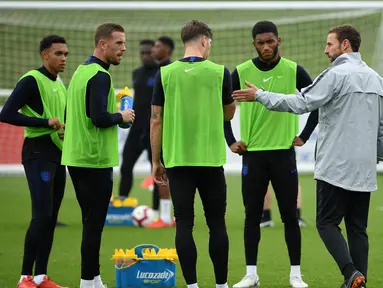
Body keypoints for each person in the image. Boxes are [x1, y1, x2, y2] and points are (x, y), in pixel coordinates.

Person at [232, 24, 383, 288]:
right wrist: (377, 156)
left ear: (345, 45)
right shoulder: (376, 78)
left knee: (326, 223)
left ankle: (351, 273)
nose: (325, 50)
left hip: (336, 164)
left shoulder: (334, 75)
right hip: (365, 167)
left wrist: (260, 96)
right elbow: (381, 125)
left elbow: (301, 103)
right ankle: (360, 281)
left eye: (329, 44)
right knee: (358, 228)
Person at [225, 21, 311, 288]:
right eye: (260, 43)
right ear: (254, 44)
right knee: (252, 216)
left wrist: (305, 135)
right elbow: (223, 109)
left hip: (284, 155)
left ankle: (295, 275)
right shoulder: (239, 72)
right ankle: (251, 274)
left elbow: (316, 102)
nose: (266, 47)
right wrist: (230, 140)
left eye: (270, 41)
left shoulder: (294, 70)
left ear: (279, 41)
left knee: (289, 216)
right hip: (253, 156)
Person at [150, 20, 236, 288]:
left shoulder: (165, 74)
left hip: (178, 160)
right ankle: (221, 285)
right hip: (210, 159)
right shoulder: (220, 72)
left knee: (184, 224)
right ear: (204, 41)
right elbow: (229, 112)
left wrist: (156, 160)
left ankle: (192, 285)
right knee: (217, 224)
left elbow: (156, 120)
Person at [62, 23, 135, 288]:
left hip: (77, 158)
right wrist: (122, 115)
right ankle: (87, 282)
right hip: (95, 159)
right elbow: (99, 117)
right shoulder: (101, 76)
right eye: (119, 44)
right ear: (102, 44)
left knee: (90, 222)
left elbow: (74, 114)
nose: (124, 49)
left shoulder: (81, 71)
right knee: (94, 225)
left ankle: (93, 279)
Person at [0, 35, 68, 288]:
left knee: (51, 217)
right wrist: (45, 123)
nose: (63, 59)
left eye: (65, 54)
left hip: (58, 154)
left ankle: (41, 276)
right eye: (58, 53)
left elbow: (60, 119)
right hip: (37, 153)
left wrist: (63, 128)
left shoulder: (60, 85)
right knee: (40, 216)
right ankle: (24, 277)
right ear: (44, 55)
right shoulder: (31, 80)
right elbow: (6, 114)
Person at [118, 39, 162, 211]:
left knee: (157, 170)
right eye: (142, 52)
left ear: (155, 53)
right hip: (136, 129)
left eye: (148, 52)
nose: (145, 56)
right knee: (125, 166)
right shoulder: (136, 73)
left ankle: (157, 209)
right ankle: (121, 204)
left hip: (154, 129)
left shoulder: (162, 72)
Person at [261, 110, 319, 228]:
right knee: (289, 180)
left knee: (264, 179)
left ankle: (266, 217)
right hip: (283, 139)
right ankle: (295, 216)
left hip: (267, 139)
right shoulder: (288, 92)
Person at [146, 35, 176, 228]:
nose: (153, 50)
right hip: (154, 128)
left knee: (163, 171)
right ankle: (166, 215)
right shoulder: (151, 72)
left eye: (157, 46)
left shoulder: (168, 73)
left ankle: (166, 218)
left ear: (168, 50)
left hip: (166, 130)